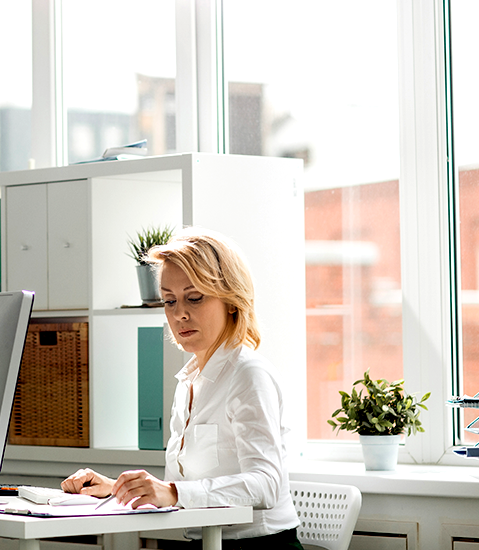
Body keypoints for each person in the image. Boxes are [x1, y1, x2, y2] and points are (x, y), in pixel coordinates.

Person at [61, 227, 303, 549]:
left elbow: (266, 484)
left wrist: (172, 493)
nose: (179, 314)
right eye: (169, 301)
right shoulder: (189, 379)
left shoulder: (248, 375)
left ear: (231, 301)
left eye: (194, 298)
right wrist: (119, 488)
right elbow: (192, 488)